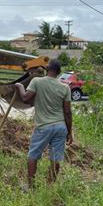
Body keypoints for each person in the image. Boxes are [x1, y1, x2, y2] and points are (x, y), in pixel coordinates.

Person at [15, 59, 73, 188]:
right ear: (59, 73)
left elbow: (25, 98)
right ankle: (50, 187)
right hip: (60, 127)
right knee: (56, 158)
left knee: (33, 155)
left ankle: (31, 187)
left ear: (47, 69)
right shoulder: (65, 87)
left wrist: (19, 86)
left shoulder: (37, 82)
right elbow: (68, 112)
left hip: (43, 127)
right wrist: (70, 132)